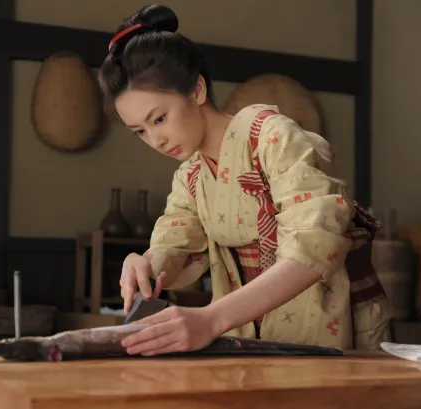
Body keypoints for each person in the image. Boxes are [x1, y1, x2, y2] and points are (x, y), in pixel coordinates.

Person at [98, 4, 392, 356]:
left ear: (196, 91)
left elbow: (315, 245)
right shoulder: (191, 175)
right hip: (247, 334)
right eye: (140, 131)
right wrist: (147, 265)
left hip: (325, 321)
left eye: (159, 118)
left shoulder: (272, 138)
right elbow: (176, 245)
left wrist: (210, 319)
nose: (155, 140)